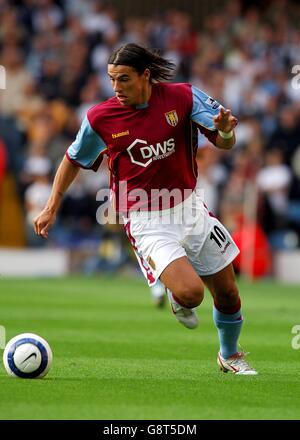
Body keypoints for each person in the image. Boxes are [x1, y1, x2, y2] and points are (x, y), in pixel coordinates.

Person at [34, 43, 257, 375]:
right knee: (192, 293)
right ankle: (176, 295)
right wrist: (51, 207)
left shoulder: (183, 97)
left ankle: (230, 355)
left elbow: (225, 141)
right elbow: (72, 159)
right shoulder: (100, 118)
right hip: (146, 219)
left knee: (227, 293)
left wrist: (225, 130)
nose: (116, 88)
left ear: (146, 76)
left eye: (124, 79)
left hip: (190, 208)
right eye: (112, 80)